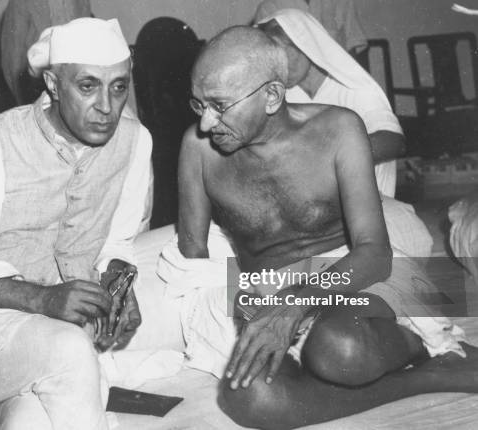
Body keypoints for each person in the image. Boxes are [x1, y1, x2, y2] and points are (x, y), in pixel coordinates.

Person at [178, 26, 477, 429]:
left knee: (339, 349)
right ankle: (421, 380)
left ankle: (418, 353)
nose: (206, 123)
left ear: (271, 96)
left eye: (219, 105)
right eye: (198, 105)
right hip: (267, 284)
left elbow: (375, 253)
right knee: (247, 397)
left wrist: (299, 303)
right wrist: (246, 305)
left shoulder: (338, 130)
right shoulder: (198, 150)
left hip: (354, 280)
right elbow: (195, 257)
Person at [0, 18, 152, 430]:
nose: (108, 107)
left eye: (119, 86)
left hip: (45, 343)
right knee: (71, 349)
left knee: (34, 421)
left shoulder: (135, 141)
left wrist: (118, 279)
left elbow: (121, 239)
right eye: (88, 86)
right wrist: (40, 299)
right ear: (54, 85)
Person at [254, 8, 403, 197]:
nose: (278, 70)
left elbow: (394, 141)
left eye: (283, 58)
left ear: (305, 46)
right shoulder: (283, 93)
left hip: (366, 200)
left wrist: (329, 157)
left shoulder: (353, 87)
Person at [0, 0, 92, 104]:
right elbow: (12, 62)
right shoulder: (21, 3)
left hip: (76, 91)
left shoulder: (82, 2)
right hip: (36, 92)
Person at [252, 0, 367, 55]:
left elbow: (355, 48)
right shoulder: (269, 8)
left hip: (337, 85)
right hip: (292, 89)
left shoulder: (340, 3)